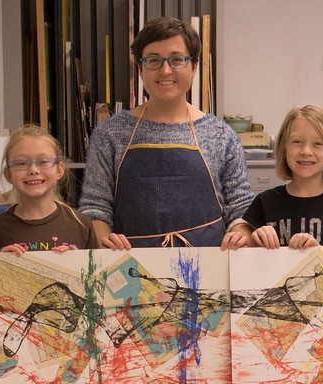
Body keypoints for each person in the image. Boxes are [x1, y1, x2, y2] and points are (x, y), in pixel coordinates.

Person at [78, 16, 253, 251]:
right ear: (140, 68)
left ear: (194, 67)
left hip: (208, 267)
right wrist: (105, 243)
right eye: (153, 60)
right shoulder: (110, 134)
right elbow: (95, 208)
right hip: (130, 270)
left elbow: (240, 208)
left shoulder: (221, 135)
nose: (165, 70)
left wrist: (241, 234)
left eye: (177, 59)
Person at [240, 104, 323, 248]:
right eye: (297, 142)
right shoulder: (264, 203)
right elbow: (250, 262)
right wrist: (254, 241)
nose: (306, 151)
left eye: (318, 143)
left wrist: (317, 256)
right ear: (284, 149)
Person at [0, 124, 96, 253]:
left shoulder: (81, 225)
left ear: (59, 170)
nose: (33, 170)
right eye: (21, 163)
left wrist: (77, 263)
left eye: (43, 161)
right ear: (8, 175)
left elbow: (95, 271)